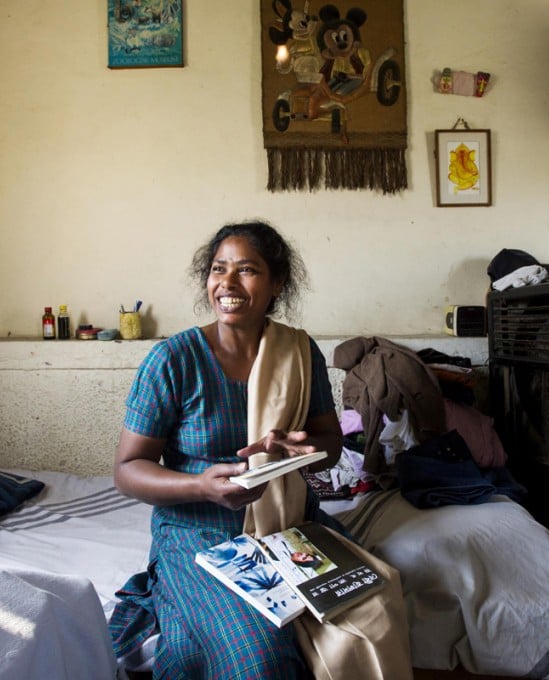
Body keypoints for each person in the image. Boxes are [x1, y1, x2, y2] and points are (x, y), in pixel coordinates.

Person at [108, 220, 345, 679]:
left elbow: (331, 447)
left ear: (277, 283)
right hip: (197, 532)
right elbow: (127, 469)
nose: (228, 284)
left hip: (288, 525)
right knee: (259, 657)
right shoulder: (174, 359)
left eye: (247, 270)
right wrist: (201, 486)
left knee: (367, 614)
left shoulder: (298, 351)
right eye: (219, 269)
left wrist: (300, 447)